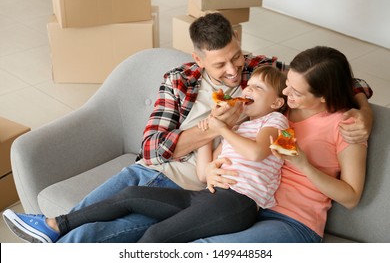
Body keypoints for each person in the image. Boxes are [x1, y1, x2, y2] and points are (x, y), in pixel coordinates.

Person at [5, 13, 373, 243]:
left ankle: (56, 230)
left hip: (216, 193)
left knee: (109, 232)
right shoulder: (179, 81)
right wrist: (211, 135)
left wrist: (362, 111)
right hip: (160, 173)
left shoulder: (265, 78)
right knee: (97, 215)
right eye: (220, 65)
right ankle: (52, 227)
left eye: (237, 57)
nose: (234, 72)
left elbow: (330, 80)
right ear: (198, 60)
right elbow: (151, 149)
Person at [3, 66, 289, 243]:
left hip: (238, 204)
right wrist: (211, 133)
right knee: (129, 195)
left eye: (257, 88)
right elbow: (203, 174)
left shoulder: (275, 122)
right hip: (210, 197)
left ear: (276, 102)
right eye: (248, 85)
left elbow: (255, 153)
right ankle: (54, 224)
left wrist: (221, 128)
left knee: (153, 238)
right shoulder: (239, 124)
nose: (247, 89)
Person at [195, 45, 368, 243]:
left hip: (292, 222)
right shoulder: (276, 107)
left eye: (296, 92)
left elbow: (351, 197)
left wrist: (305, 166)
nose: (285, 91)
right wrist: (210, 170)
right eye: (287, 83)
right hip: (244, 205)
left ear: (323, 96)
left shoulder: (347, 126)